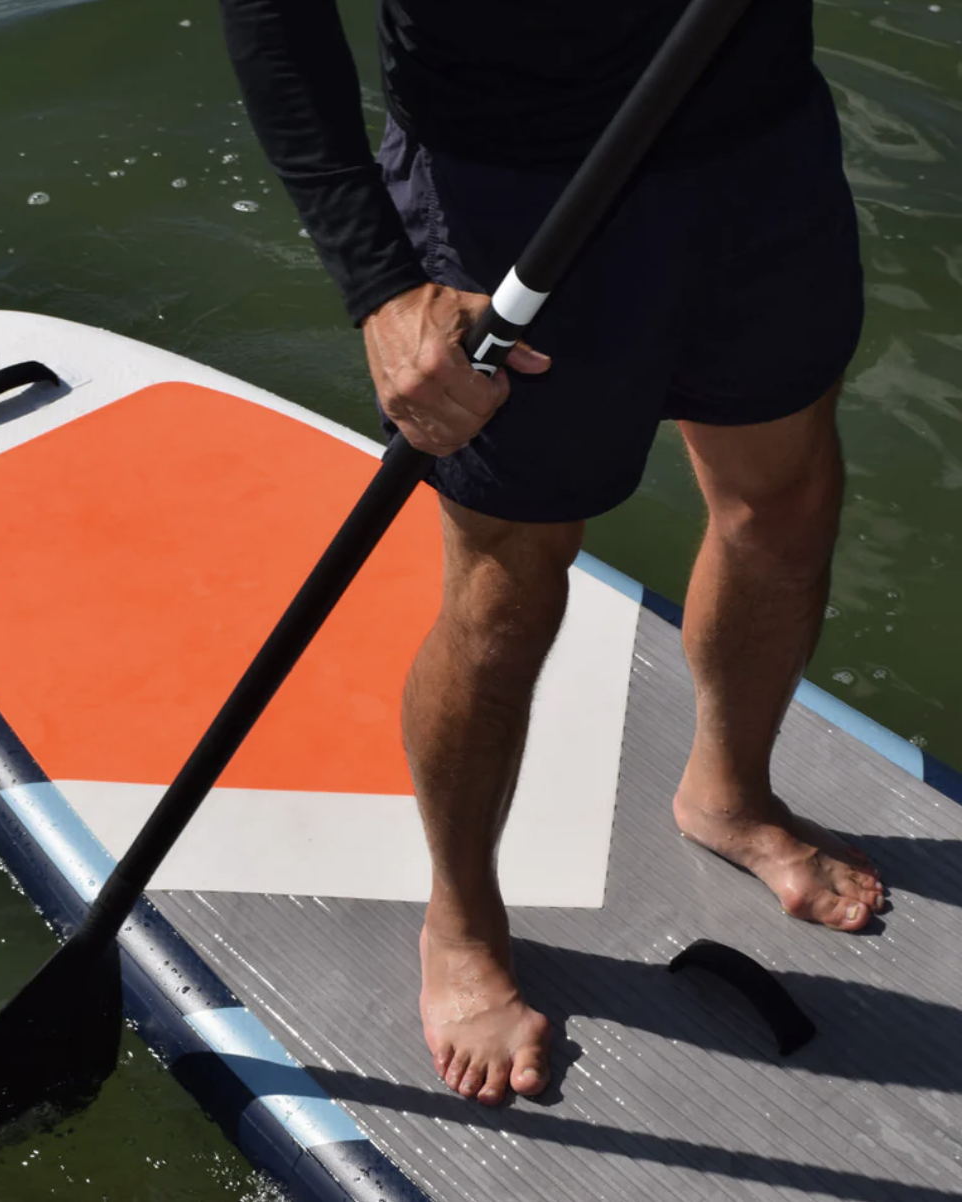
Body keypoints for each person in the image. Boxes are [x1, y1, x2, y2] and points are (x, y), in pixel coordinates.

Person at [217, 0, 884, 1108]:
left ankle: (730, 791)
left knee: (782, 504)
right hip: (514, 195)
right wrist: (380, 284)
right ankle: (462, 915)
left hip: (759, 146)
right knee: (506, 587)